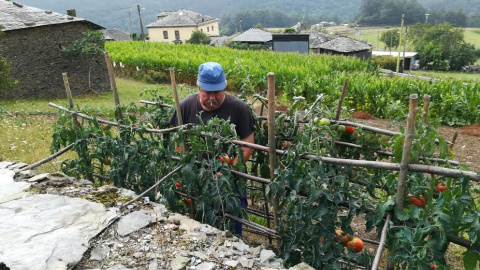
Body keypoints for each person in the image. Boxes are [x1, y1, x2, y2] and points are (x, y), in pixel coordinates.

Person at [169, 62, 255, 235]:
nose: (212, 97)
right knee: (201, 212)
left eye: (217, 92)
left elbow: (247, 142)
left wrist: (229, 169)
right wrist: (194, 170)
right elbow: (177, 141)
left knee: (234, 210)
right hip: (199, 175)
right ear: (199, 87)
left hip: (230, 177)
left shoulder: (238, 108)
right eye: (207, 92)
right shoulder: (185, 107)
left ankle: (234, 246)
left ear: (224, 87)